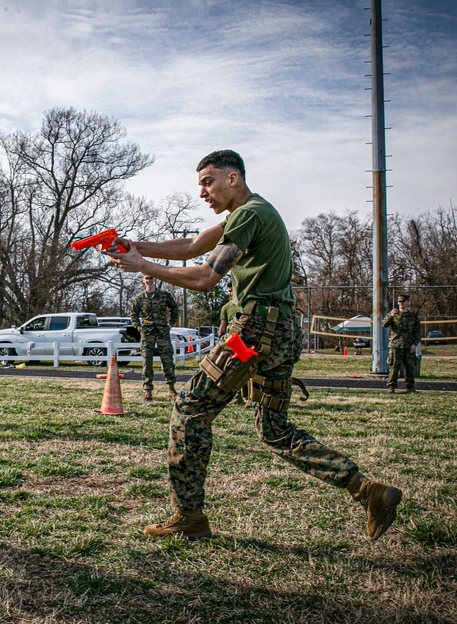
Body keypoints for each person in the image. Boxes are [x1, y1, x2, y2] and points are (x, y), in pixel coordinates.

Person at [104, 149, 402, 541]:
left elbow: (206, 276)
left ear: (233, 178)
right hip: (280, 331)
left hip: (255, 331)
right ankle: (368, 491)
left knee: (189, 409)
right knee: (274, 429)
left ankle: (189, 516)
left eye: (208, 183)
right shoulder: (250, 214)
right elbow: (192, 245)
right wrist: (134, 246)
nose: (202, 193)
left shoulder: (249, 214)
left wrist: (144, 267)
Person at [131, 274, 179, 401]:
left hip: (162, 332)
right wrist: (140, 327)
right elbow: (133, 315)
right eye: (147, 279)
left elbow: (174, 309)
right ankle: (148, 391)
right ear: (143, 281)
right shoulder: (139, 298)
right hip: (147, 333)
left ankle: (171, 388)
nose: (149, 281)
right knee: (147, 362)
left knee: (167, 360)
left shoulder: (164, 295)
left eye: (151, 279)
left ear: (155, 280)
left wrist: (170, 324)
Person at [382, 294, 421, 394]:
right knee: (394, 367)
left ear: (408, 302)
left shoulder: (414, 317)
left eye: (403, 302)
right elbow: (384, 324)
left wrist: (414, 344)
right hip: (396, 346)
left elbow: (417, 332)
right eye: (400, 302)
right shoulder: (394, 315)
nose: (401, 304)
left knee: (410, 368)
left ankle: (410, 387)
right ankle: (391, 387)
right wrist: (390, 316)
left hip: (408, 346)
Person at [218, 284, 249, 407]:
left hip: (245, 340)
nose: (230, 293)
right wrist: (220, 338)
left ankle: (248, 396)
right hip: (232, 341)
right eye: (228, 291)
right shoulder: (226, 307)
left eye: (232, 291)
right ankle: (236, 396)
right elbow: (223, 325)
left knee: (246, 368)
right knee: (232, 368)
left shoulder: (245, 305)